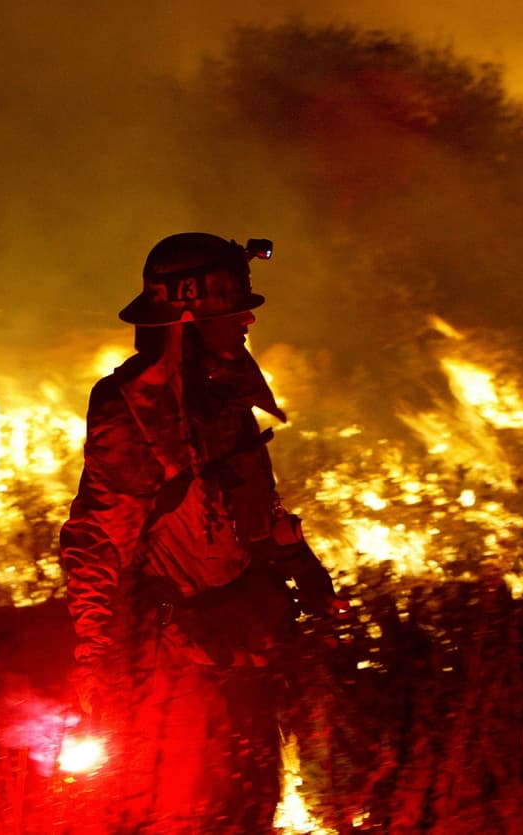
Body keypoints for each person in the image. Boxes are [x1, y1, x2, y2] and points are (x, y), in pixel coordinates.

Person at [60, 232, 344, 834]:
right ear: (187, 316)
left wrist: (300, 567)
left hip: (247, 648)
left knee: (254, 808)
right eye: (230, 308)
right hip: (177, 672)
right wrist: (95, 656)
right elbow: (97, 537)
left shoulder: (224, 398)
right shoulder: (133, 409)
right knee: (192, 815)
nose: (246, 317)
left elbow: (249, 511)